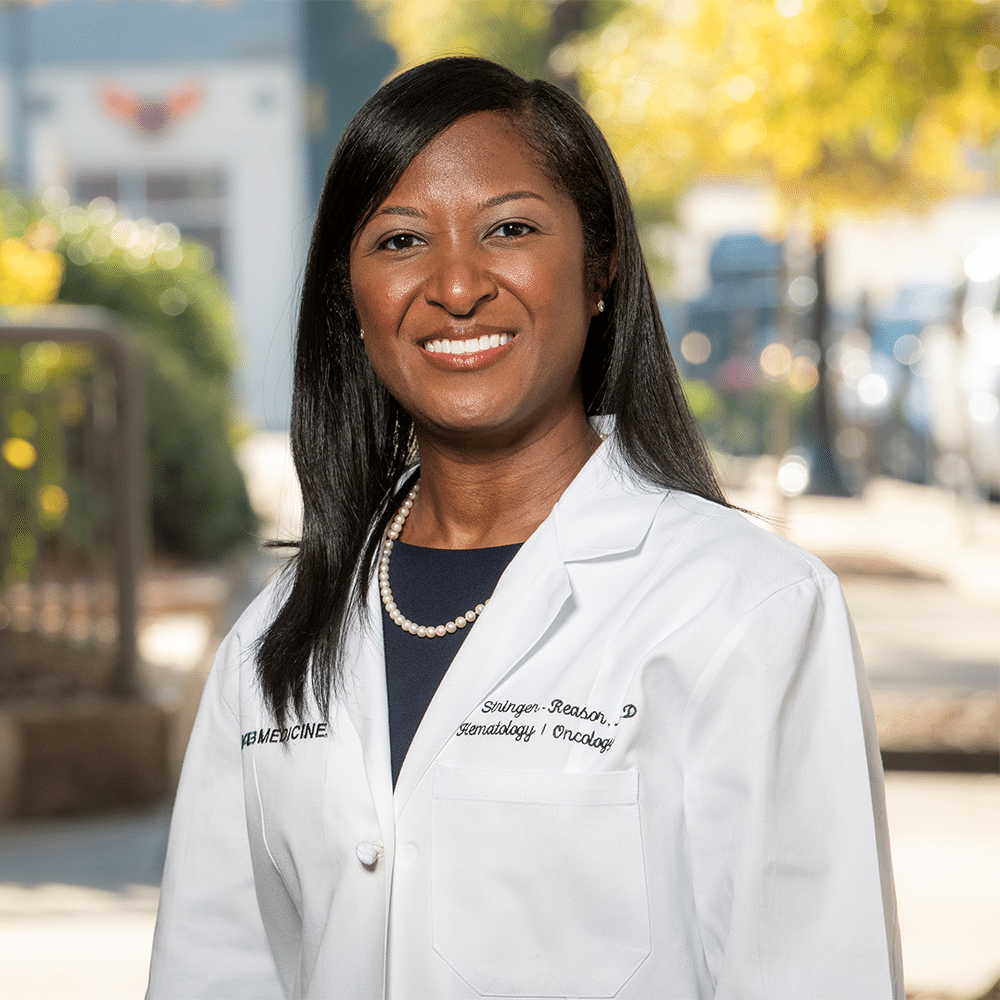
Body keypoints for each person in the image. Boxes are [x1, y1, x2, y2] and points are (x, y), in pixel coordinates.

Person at [147, 57, 903, 1000]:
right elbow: (212, 971)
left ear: (600, 266)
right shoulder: (276, 638)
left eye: (510, 229)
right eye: (400, 241)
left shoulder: (749, 610)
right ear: (350, 297)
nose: (457, 286)